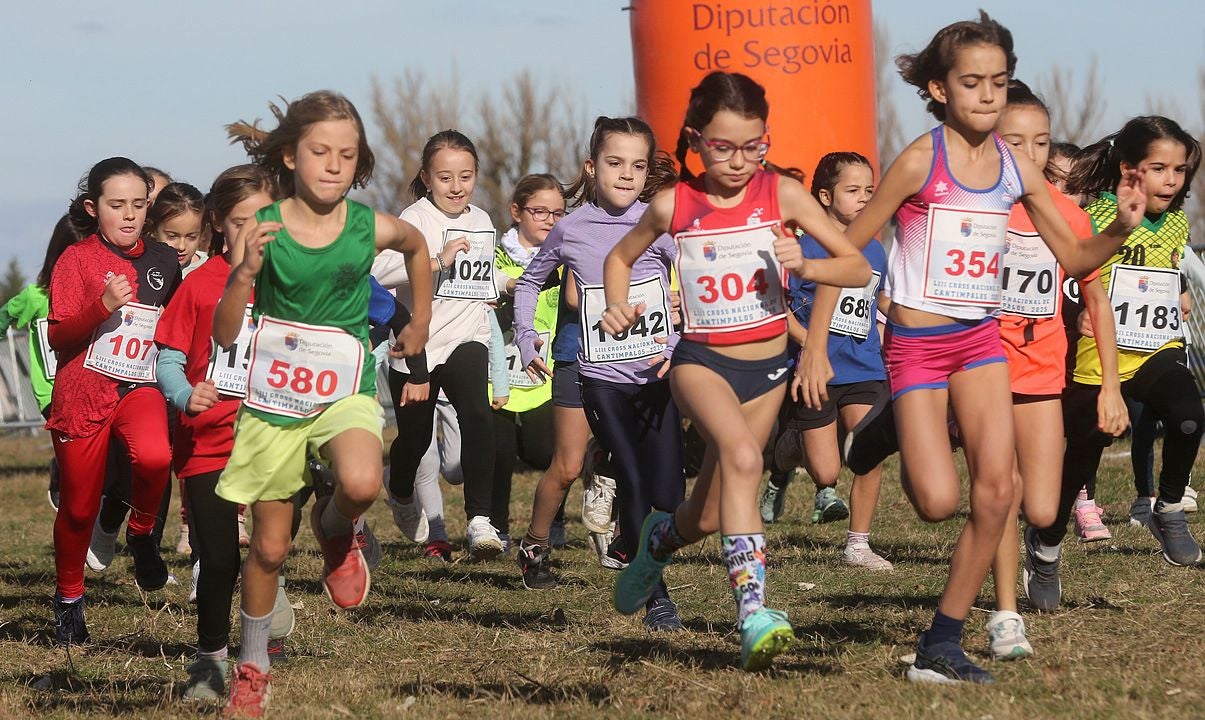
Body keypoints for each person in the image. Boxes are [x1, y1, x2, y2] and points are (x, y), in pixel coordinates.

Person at [804, 12, 1143, 683]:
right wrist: (813, 308)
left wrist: (1118, 232)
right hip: (917, 348)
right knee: (934, 501)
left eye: (998, 82)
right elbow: (853, 251)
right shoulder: (916, 161)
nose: (987, 96)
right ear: (938, 89)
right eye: (971, 84)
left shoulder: (1017, 169)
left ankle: (942, 642)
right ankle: (886, 430)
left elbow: (1074, 256)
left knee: (998, 492)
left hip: (980, 342)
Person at [601, 72, 871, 671]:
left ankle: (658, 540)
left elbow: (856, 269)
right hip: (701, 363)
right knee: (746, 460)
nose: (741, 161)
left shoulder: (784, 195)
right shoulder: (675, 205)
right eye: (724, 148)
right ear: (695, 140)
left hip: (770, 369)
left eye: (755, 146)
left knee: (714, 508)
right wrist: (617, 303)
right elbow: (619, 257)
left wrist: (809, 264)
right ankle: (753, 614)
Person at [215, 90, 432, 717]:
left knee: (362, 482)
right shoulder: (264, 230)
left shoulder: (368, 226)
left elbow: (417, 247)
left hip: (343, 390)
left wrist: (416, 324)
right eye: (320, 152)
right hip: (273, 402)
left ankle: (336, 529)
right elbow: (226, 333)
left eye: (347, 154)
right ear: (289, 156)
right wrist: (244, 274)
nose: (335, 165)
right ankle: (251, 670)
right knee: (269, 549)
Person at [1025, 115, 1202, 615]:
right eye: (1159, 168)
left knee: (1190, 414)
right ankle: (1047, 546)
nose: (1172, 179)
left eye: (1180, 170)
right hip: (1099, 356)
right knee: (1083, 455)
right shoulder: (1097, 212)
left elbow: (1164, 271)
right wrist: (1076, 311)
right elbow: (1068, 267)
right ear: (1129, 170)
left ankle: (1166, 508)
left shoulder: (1176, 222)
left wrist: (1181, 292)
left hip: (1155, 347)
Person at [515, 117, 687, 632]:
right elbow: (528, 283)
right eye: (615, 163)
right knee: (629, 477)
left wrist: (678, 331)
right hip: (598, 375)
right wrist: (528, 338)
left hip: (656, 376)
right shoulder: (572, 227)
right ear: (592, 168)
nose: (627, 175)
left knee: (670, 496)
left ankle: (633, 546)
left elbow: (692, 284)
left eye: (638, 166)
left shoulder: (659, 221)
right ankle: (656, 595)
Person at [985, 81, 1127, 660]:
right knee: (999, 489)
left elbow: (1098, 304)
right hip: (983, 366)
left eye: (1040, 143)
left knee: (1042, 507)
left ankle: (1040, 546)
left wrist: (1111, 386)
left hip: (1042, 370)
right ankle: (1005, 613)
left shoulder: (1067, 213)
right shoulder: (976, 205)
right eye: (1014, 142)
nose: (1029, 154)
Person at [153, 164, 298, 700]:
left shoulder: (291, 283)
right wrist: (183, 393)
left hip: (273, 439)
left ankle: (254, 654)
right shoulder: (197, 286)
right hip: (207, 443)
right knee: (218, 559)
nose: (252, 231)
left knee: (271, 545)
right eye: (239, 222)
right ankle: (210, 659)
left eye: (264, 219)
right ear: (217, 224)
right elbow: (168, 358)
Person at [47, 157, 183, 645]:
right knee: (79, 509)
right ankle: (68, 599)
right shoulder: (76, 260)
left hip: (138, 387)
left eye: (139, 205)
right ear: (93, 207)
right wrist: (102, 307)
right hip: (83, 392)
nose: (129, 215)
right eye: (116, 205)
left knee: (155, 455)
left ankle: (142, 532)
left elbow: (179, 324)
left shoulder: (165, 261)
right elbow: (61, 337)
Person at [372, 129, 510, 559]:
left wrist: (511, 284)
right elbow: (379, 275)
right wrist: (435, 261)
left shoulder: (482, 221)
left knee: (477, 414)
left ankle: (481, 521)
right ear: (427, 179)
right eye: (446, 177)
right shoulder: (413, 219)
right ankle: (398, 488)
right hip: (418, 342)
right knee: (413, 439)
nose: (456, 187)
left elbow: (483, 277)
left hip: (467, 335)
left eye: (465, 176)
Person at [763, 151, 893, 571]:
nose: (863, 199)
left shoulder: (874, 251)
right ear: (823, 196)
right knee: (825, 472)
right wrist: (809, 347)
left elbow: (881, 302)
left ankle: (858, 544)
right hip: (814, 370)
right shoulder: (801, 250)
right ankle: (784, 456)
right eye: (852, 190)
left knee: (869, 449)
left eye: (869, 191)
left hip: (864, 366)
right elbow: (777, 311)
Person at [490, 174, 565, 553]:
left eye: (557, 213)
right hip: (497, 373)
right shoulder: (493, 256)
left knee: (543, 452)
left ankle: (555, 519)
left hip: (544, 374)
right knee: (500, 455)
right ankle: (496, 529)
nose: (549, 220)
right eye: (540, 211)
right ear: (517, 211)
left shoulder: (565, 260)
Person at [1, 214, 84, 510]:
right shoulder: (35, 297)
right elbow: (5, 315)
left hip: (90, 385)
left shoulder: (102, 296)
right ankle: (61, 472)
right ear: (58, 256)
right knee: (72, 452)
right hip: (52, 390)